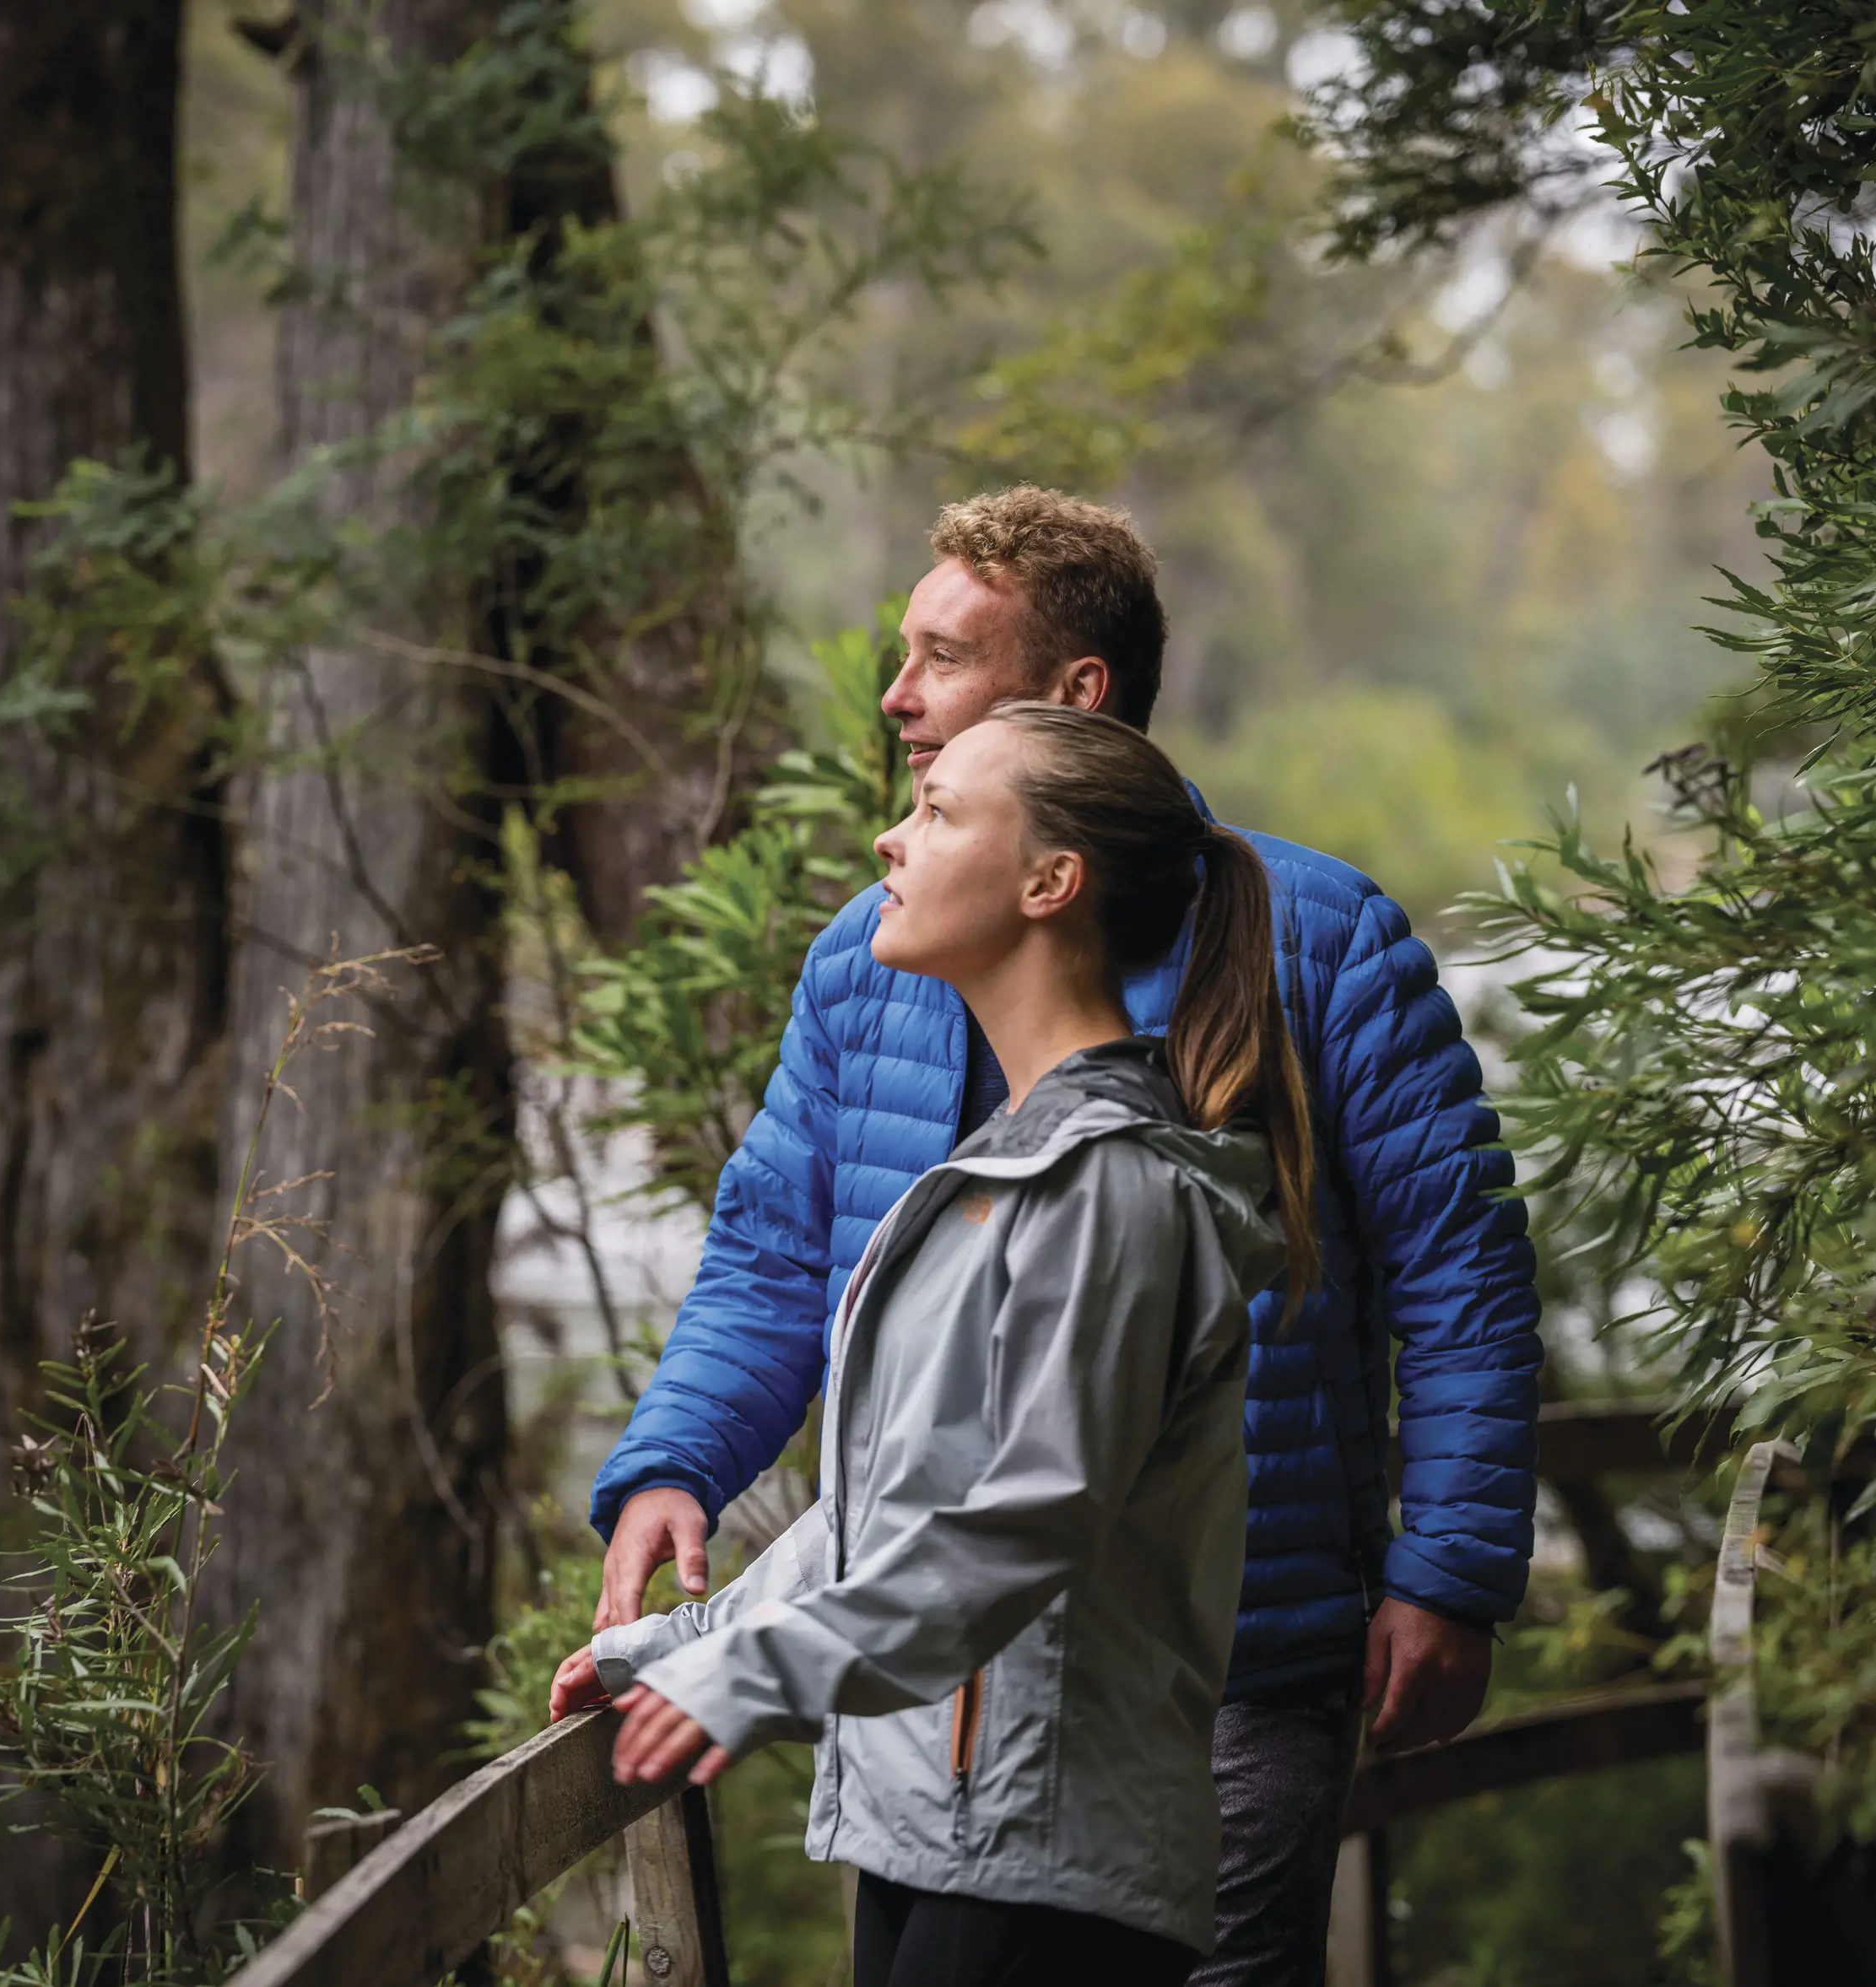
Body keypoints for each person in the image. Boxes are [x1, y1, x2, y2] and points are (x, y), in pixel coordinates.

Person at [589, 487, 1544, 1983]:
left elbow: (1462, 1274)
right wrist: (676, 1459)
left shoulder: (1322, 942)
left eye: (943, 658)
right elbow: (779, 1250)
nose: (897, 697)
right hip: (919, 1683)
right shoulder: (870, 953)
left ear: (1073, 692)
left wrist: (1451, 1568)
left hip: (1232, 1651)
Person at [554, 703, 1314, 1985]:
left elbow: (1026, 1520)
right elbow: (892, 1505)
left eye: (940, 810)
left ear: (1047, 881)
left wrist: (756, 1681)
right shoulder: (1003, 1167)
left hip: (1042, 1861)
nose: (890, 840)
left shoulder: (1107, 1191)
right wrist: (686, 1646)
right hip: (941, 1833)